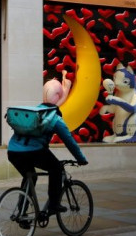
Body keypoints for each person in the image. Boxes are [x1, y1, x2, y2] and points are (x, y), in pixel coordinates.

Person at [7, 79, 88, 215]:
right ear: (57, 97)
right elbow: (69, 141)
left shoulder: (34, 112)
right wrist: (81, 158)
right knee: (56, 168)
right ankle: (54, 205)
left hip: (13, 151)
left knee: (30, 177)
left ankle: (21, 212)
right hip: (33, 151)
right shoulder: (55, 119)